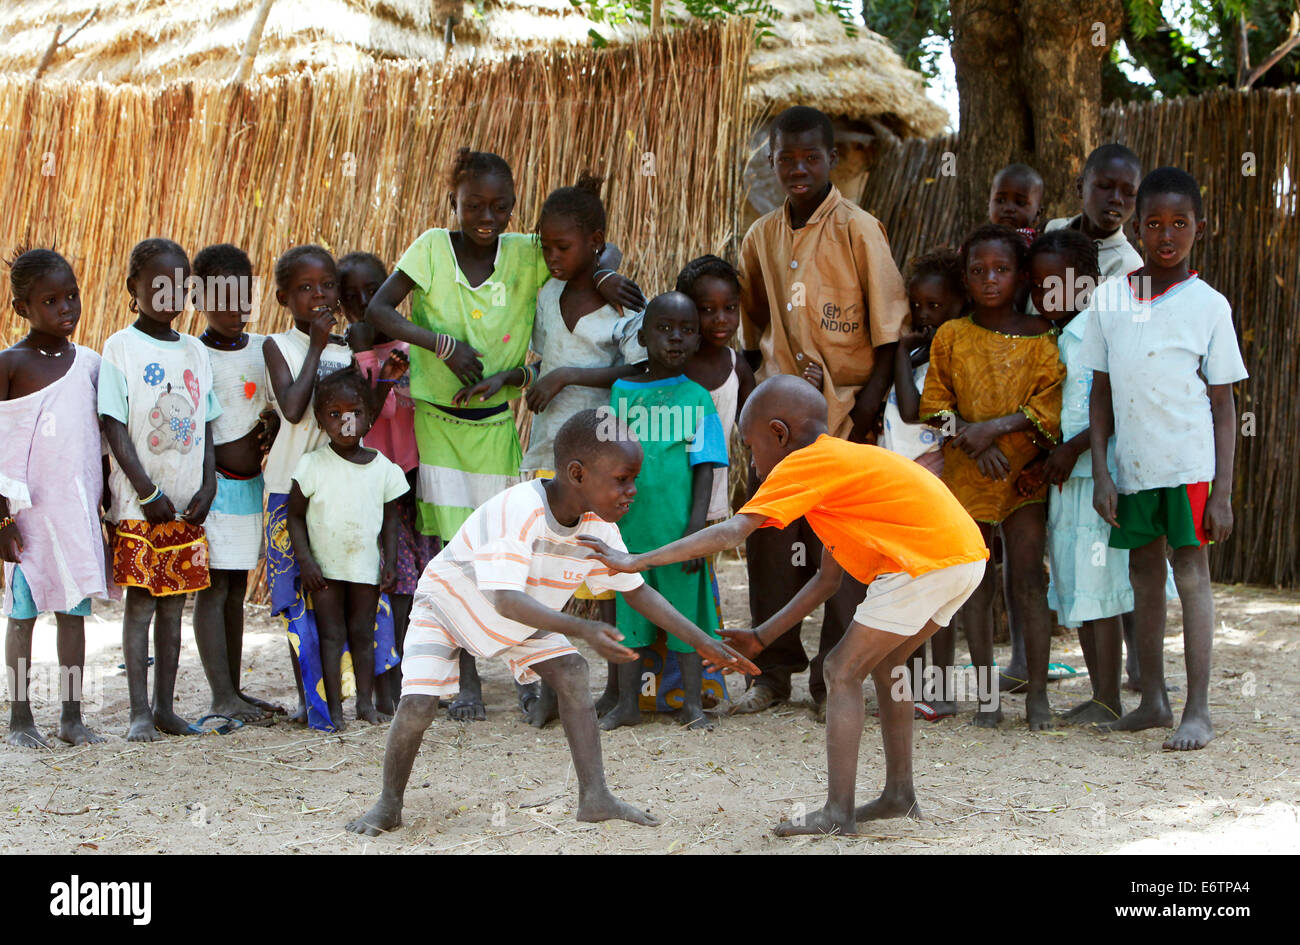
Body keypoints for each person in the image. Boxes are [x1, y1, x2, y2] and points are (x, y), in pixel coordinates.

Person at [580, 377, 988, 836]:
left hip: (927, 562)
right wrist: (762, 636)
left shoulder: (808, 461)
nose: (753, 465)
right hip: (963, 557)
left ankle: (838, 811)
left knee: (839, 670)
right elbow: (826, 580)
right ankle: (898, 794)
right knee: (888, 665)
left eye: (752, 449)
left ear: (780, 433)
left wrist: (636, 559)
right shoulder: (840, 470)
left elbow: (731, 532)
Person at [343, 409, 758, 836]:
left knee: (573, 671)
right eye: (622, 479)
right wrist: (584, 629)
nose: (632, 491)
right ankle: (388, 805)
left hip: (521, 616)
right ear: (577, 473)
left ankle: (595, 797)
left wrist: (704, 642)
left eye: (634, 478)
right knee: (419, 705)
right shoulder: (520, 510)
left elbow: (637, 591)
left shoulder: (598, 526)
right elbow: (505, 599)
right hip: (450, 606)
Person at [365, 150, 643, 723]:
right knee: (453, 553)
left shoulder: (526, 253)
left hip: (494, 426)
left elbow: (590, 249)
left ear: (514, 208)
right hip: (438, 423)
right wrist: (440, 345)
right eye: (473, 205)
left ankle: (523, 669)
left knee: (509, 554)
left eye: (500, 206)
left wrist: (610, 271)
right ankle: (466, 680)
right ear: (454, 202)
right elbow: (378, 309)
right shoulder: (431, 247)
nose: (486, 216)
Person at [735, 105, 909, 718]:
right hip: (783, 433)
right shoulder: (760, 238)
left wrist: (863, 413)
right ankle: (772, 671)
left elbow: (890, 335)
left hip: (846, 424)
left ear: (832, 159)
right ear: (773, 161)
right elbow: (749, 330)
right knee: (773, 547)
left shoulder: (861, 230)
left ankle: (831, 674)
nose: (798, 169)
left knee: (845, 553)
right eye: (787, 159)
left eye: (811, 157)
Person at [1081, 167, 1247, 751]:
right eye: (1153, 223)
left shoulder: (1209, 306)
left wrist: (1223, 491)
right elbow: (1100, 393)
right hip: (1133, 470)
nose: (1166, 235)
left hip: (1189, 469)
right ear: (1137, 226)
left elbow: (1224, 407)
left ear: (1199, 228)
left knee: (1192, 574)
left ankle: (1196, 709)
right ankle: (1152, 698)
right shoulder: (1109, 299)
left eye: (1180, 223)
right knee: (1142, 576)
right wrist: (1102, 470)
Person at [918, 224, 1065, 730]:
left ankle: (1038, 695)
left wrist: (994, 430)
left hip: (1024, 476)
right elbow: (934, 407)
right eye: (978, 271)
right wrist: (972, 441)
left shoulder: (1044, 338)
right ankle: (986, 696)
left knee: (1027, 580)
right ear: (965, 276)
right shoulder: (952, 336)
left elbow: (1049, 409)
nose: (989, 280)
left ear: (1021, 275)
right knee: (974, 586)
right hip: (966, 474)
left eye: (1001, 270)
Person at [263, 245, 398, 728]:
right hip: (289, 489)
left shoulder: (347, 349)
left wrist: (382, 385)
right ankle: (311, 699)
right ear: (284, 297)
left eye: (326, 287)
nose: (318, 296)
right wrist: (316, 345)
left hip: (346, 492)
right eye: (305, 288)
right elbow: (295, 409)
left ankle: (356, 699)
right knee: (302, 598)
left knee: (349, 599)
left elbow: (360, 415)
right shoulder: (278, 347)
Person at [100, 238, 221, 741]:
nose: (168, 293)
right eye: (156, 284)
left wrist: (210, 482)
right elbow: (114, 425)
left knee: (174, 606)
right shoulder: (119, 348)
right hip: (139, 504)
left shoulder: (195, 351)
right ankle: (137, 714)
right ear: (134, 288)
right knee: (142, 605)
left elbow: (206, 423)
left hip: (187, 506)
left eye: (178, 285)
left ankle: (166, 708)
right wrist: (147, 492)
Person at [598, 292, 729, 731]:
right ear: (643, 334)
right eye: (664, 328)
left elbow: (706, 468)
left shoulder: (698, 398)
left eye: (686, 330)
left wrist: (695, 534)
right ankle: (628, 704)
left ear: (697, 340)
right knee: (631, 620)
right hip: (629, 533)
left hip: (678, 535)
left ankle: (692, 705)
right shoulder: (619, 393)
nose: (675, 338)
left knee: (683, 619)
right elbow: (605, 457)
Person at [1015, 228, 1130, 724]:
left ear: (1089, 281)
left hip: (1093, 481)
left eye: (1056, 284)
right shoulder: (1054, 335)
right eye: (1038, 286)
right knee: (1079, 591)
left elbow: (1121, 405)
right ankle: (1100, 693)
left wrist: (1072, 450)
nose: (1046, 295)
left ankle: (1109, 699)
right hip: (1066, 484)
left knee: (1100, 592)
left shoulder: (1103, 329)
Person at [1, 249, 112, 747]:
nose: (66, 307)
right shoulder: (9, 364)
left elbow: (100, 443)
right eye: (51, 300)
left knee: (74, 615)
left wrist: (104, 502)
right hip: (26, 518)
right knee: (22, 616)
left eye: (72, 295)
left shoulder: (90, 364)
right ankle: (21, 718)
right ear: (23, 307)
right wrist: (1, 522)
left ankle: (71, 716)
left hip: (74, 513)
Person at [287, 369, 409, 731]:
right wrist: (306, 561)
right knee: (331, 636)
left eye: (355, 412)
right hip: (323, 571)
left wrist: (389, 561)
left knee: (362, 635)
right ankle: (334, 710)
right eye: (335, 414)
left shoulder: (383, 468)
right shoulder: (311, 465)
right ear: (320, 420)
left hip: (365, 568)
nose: (346, 422)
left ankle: (366, 705)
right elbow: (294, 516)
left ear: (369, 416)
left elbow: (391, 520)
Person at [191, 243, 281, 726]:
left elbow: (271, 406)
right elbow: (199, 426)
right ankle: (220, 696)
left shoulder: (261, 348)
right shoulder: (196, 354)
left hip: (250, 487)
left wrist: (267, 422)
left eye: (243, 298)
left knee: (235, 587)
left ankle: (233, 692)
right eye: (222, 300)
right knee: (214, 588)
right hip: (215, 489)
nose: (236, 311)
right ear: (198, 299)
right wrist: (206, 486)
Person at [338, 250, 430, 713]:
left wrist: (372, 353)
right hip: (367, 496)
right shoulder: (344, 358)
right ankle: (381, 682)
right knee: (378, 587)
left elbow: (400, 407)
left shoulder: (408, 352)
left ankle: (411, 677)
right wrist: (359, 354)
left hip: (410, 490)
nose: (362, 301)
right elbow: (366, 412)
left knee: (409, 587)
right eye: (351, 295)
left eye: (372, 291)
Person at [886, 249, 966, 719]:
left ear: (959, 304)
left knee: (938, 590)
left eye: (936, 306)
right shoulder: (919, 351)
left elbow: (915, 411)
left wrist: (900, 353)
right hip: (905, 482)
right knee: (909, 586)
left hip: (935, 482)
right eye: (918, 305)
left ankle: (941, 689)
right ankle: (914, 689)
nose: (924, 314)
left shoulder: (952, 352)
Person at [678, 254, 755, 711]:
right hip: (670, 491)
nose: (720, 319)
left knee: (701, 582)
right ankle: (661, 679)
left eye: (729, 308)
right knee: (666, 574)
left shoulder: (734, 364)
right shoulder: (674, 364)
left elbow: (752, 423)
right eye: (707, 309)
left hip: (712, 494)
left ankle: (703, 684)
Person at [988, 163, 1045, 244]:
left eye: (1020, 203)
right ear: (989, 204)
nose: (1008, 208)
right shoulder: (979, 240)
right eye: (1001, 200)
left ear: (1037, 213)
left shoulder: (1036, 245)